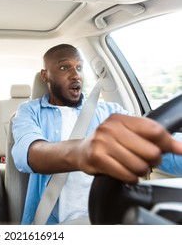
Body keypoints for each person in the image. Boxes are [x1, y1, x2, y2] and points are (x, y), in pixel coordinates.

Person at [11, 44, 182, 225]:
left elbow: (155, 142)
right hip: (52, 225)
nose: (75, 74)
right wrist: (82, 151)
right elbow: (28, 151)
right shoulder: (29, 111)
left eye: (79, 67)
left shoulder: (110, 111)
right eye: (64, 67)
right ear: (45, 75)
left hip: (105, 219)